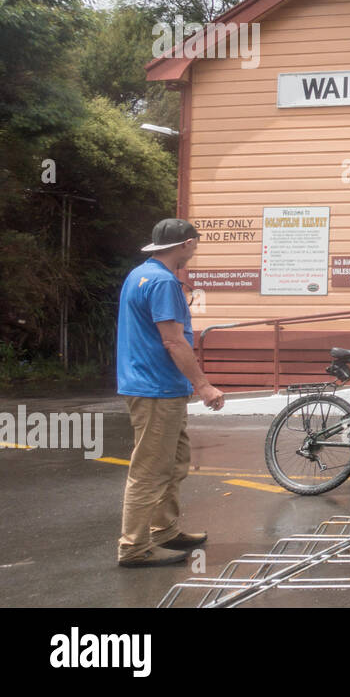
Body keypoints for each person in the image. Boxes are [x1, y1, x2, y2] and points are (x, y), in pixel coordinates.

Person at [116, 218, 225, 567]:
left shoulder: (139, 274)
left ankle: (164, 530)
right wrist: (203, 385)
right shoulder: (164, 283)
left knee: (174, 462)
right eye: (196, 245)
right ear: (188, 244)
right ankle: (133, 547)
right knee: (149, 469)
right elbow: (173, 340)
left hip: (154, 385)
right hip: (156, 387)